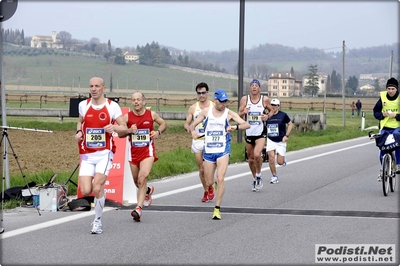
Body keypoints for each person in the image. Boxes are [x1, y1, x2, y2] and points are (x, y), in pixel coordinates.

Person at [75, 77, 127, 234]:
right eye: (91, 86)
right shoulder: (83, 105)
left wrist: (115, 128)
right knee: (85, 190)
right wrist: (78, 132)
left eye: (97, 86)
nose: (93, 89)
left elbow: (124, 127)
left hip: (105, 153)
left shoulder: (112, 106)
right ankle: (99, 198)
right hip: (87, 154)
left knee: (97, 187)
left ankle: (97, 221)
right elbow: (80, 122)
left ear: (103, 88)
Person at [190, 89, 250, 220]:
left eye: (225, 102)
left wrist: (235, 127)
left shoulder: (229, 113)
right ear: (215, 101)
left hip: (223, 149)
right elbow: (192, 125)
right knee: (209, 181)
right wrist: (193, 131)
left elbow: (246, 124)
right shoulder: (206, 112)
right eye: (222, 102)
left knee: (221, 177)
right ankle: (214, 183)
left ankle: (217, 209)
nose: (224, 104)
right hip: (209, 150)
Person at [116, 92, 167, 222]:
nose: (136, 102)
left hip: (147, 152)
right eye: (133, 100)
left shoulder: (151, 114)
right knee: (137, 182)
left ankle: (138, 209)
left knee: (142, 177)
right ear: (131, 103)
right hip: (133, 154)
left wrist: (158, 132)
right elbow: (120, 135)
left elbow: (163, 124)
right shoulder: (127, 117)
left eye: (138, 100)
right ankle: (148, 190)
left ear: (144, 102)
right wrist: (128, 131)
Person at [184, 82, 215, 202]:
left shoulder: (214, 106)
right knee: (202, 169)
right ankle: (206, 190)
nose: (201, 95)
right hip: (197, 140)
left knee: (209, 168)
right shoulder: (193, 108)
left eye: (203, 92)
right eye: (199, 93)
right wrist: (190, 130)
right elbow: (187, 123)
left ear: (207, 93)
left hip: (211, 140)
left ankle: (211, 185)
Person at [238, 79, 272, 192]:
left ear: (259, 88)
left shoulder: (265, 99)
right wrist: (244, 112)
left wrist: (267, 116)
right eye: (252, 85)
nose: (254, 87)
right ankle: (255, 179)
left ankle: (258, 175)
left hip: (260, 133)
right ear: (249, 88)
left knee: (257, 155)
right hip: (249, 132)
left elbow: (272, 111)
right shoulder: (245, 99)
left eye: (256, 85)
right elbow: (238, 116)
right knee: (251, 159)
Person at [373, 77, 400, 181]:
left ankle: (398, 164)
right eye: (389, 89)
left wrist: (396, 116)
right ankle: (383, 170)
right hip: (385, 127)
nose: (390, 91)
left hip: (397, 127)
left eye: (392, 89)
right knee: (382, 147)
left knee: (398, 140)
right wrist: (382, 115)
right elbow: (375, 112)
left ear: (396, 89)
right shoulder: (382, 97)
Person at [265, 98, 293, 184]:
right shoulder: (267, 116)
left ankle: (283, 160)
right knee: (271, 158)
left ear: (278, 106)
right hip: (270, 139)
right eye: (272, 105)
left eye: (275, 105)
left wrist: (286, 135)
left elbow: (290, 124)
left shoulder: (283, 115)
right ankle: (274, 176)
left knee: (280, 162)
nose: (273, 107)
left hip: (281, 140)